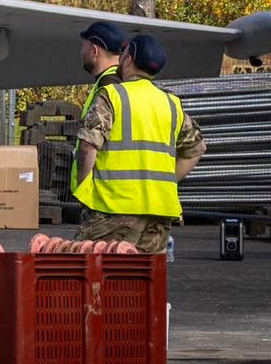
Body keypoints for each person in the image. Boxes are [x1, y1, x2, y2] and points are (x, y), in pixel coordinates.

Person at [72, 32, 205, 255]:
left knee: (94, 273)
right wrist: (166, 181)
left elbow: (89, 146)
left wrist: (85, 189)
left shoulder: (113, 96)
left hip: (112, 208)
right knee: (145, 281)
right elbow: (196, 150)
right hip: (159, 213)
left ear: (129, 59)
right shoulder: (171, 104)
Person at [78, 20, 129, 114]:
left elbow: (94, 128)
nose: (81, 52)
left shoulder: (107, 86)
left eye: (83, 47)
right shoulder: (123, 80)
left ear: (94, 51)